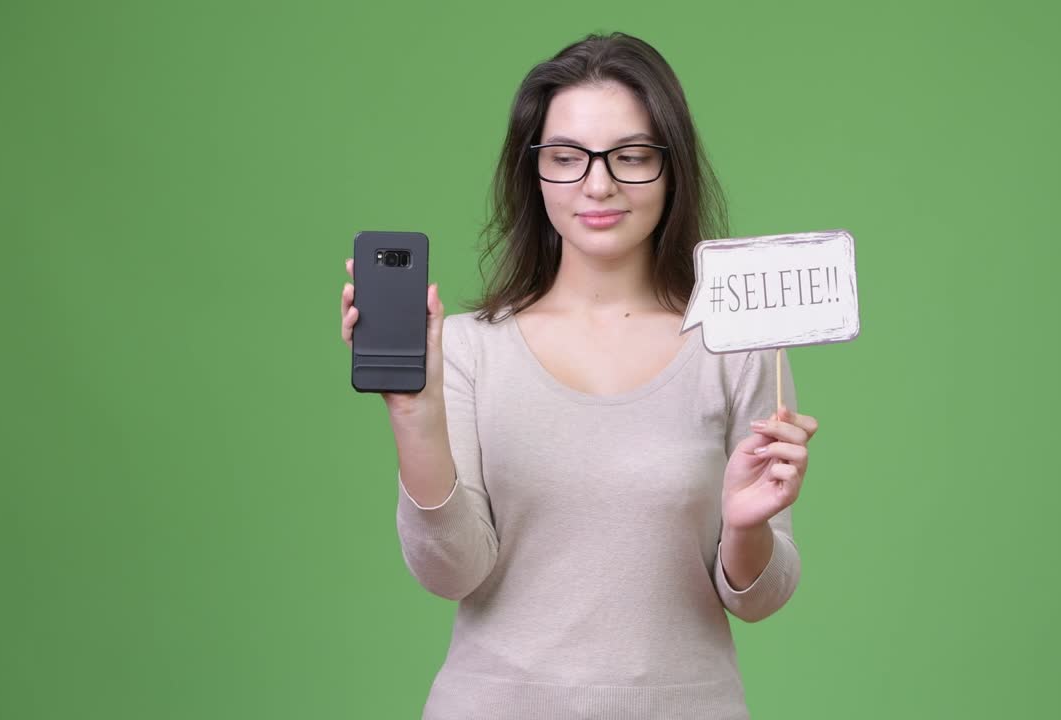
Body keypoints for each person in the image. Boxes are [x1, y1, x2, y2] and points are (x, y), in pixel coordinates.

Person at [340, 31, 819, 720]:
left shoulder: (739, 349)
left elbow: (762, 596)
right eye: (566, 158)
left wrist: (745, 528)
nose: (599, 184)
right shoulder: (470, 350)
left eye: (630, 156)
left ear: (671, 167)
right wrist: (413, 416)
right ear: (533, 173)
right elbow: (451, 573)